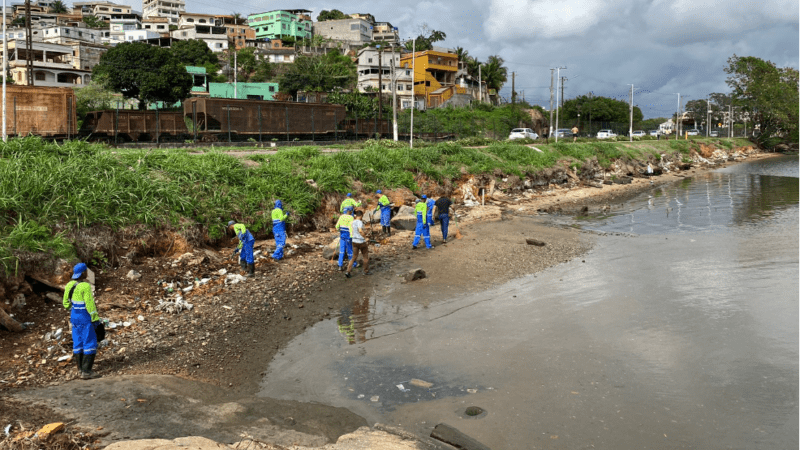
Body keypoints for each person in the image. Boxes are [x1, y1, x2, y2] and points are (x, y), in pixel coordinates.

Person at [63, 263, 102, 379]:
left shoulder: (69, 285)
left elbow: (65, 303)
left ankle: (80, 370)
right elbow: (90, 304)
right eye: (86, 271)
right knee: (90, 341)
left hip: (74, 317)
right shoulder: (85, 286)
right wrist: (95, 319)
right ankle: (86, 371)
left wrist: (74, 309)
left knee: (78, 341)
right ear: (83, 272)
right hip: (84, 317)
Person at [345, 210, 370, 278]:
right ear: (361, 216)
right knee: (365, 256)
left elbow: (355, 230)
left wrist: (364, 231)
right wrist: (365, 238)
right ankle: (366, 271)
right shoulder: (359, 222)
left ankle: (348, 271)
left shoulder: (352, 222)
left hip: (354, 241)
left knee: (354, 257)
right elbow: (360, 230)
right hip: (361, 242)